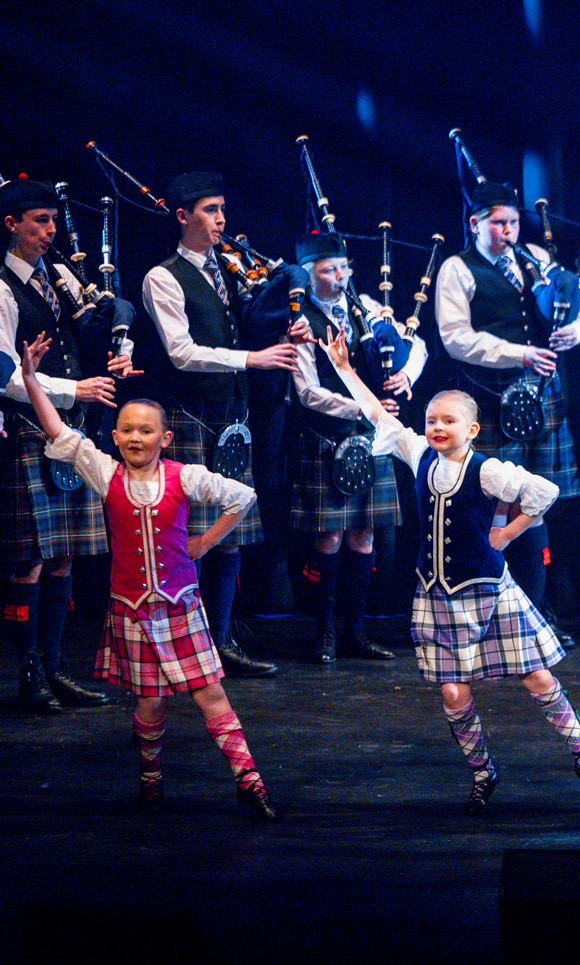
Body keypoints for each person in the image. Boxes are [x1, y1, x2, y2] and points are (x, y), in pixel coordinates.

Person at [321, 329, 580, 814]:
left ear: (471, 429)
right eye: (432, 419)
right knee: (453, 690)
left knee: (537, 678)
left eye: (448, 420)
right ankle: (482, 771)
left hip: (487, 590)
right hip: (436, 593)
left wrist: (503, 536)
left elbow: (543, 493)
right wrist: (346, 369)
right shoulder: (418, 456)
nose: (437, 427)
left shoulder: (487, 470)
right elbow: (378, 415)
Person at [19, 333, 278, 819]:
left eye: (145, 431)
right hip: (133, 611)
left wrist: (204, 543)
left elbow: (242, 497)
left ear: (165, 438)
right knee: (151, 705)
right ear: (115, 438)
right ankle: (151, 781)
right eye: (126, 430)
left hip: (180, 606)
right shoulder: (105, 473)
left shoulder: (184, 476)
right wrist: (31, 379)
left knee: (211, 694)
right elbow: (59, 433)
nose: (135, 438)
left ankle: (249, 780)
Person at [140, 172, 299, 677]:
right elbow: (182, 353)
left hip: (233, 419)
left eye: (223, 209)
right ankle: (181, 643)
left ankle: (221, 640)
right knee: (188, 534)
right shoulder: (162, 277)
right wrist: (253, 359)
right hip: (190, 418)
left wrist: (284, 326)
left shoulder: (228, 272)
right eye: (210, 210)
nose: (221, 219)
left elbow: (243, 325)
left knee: (229, 532)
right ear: (183, 216)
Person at [436, 181, 580, 647]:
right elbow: (456, 338)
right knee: (495, 506)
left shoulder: (535, 259)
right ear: (475, 224)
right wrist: (519, 354)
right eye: (497, 223)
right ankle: (487, 613)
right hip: (490, 396)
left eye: (512, 221)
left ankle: (535, 612)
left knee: (538, 503)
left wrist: (576, 332)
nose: (507, 230)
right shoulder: (456, 269)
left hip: (542, 398)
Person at [0, 177, 135, 713]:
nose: (51, 231)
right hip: (31, 431)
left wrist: (118, 347)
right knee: (29, 560)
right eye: (40, 221)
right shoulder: (3, 290)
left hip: (71, 432)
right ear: (11, 225)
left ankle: (54, 670)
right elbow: (4, 376)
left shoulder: (56, 277)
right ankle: (29, 675)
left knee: (63, 559)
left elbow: (115, 306)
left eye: (53, 221)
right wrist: (71, 388)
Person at [289, 232, 427, 663]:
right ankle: (324, 632)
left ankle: (355, 630)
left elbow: (416, 343)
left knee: (364, 535)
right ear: (310, 278)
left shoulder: (364, 306)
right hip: (326, 437)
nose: (340, 276)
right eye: (329, 270)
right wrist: (364, 407)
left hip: (369, 440)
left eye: (344, 268)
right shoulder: (301, 320)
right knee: (329, 535)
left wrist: (408, 376)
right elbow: (307, 392)